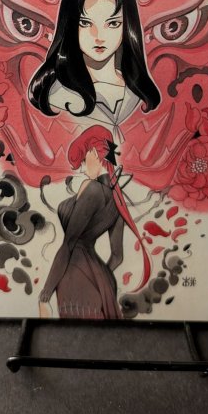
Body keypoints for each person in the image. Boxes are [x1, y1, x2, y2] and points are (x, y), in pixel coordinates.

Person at [28, 0, 160, 141]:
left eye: (112, 24)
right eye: (85, 23)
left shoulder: (136, 90)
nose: (99, 36)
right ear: (70, 25)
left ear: (127, 27)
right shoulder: (57, 93)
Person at [38, 126, 149, 319]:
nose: (82, 167)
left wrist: (45, 295)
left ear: (95, 153)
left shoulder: (91, 189)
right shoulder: (118, 200)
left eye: (83, 159)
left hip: (74, 276)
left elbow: (68, 244)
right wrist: (99, 276)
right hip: (103, 281)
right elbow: (117, 257)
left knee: (75, 334)